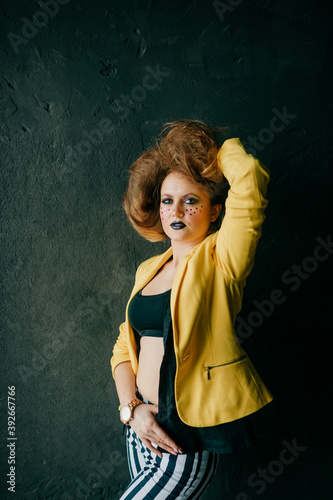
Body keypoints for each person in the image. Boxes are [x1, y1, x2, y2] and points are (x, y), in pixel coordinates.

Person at [111, 120, 273, 499]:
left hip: (182, 436)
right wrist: (130, 409)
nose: (176, 209)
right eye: (168, 200)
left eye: (191, 200)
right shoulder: (149, 270)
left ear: (214, 211)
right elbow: (123, 346)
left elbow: (249, 178)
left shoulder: (222, 260)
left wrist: (204, 151)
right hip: (139, 427)